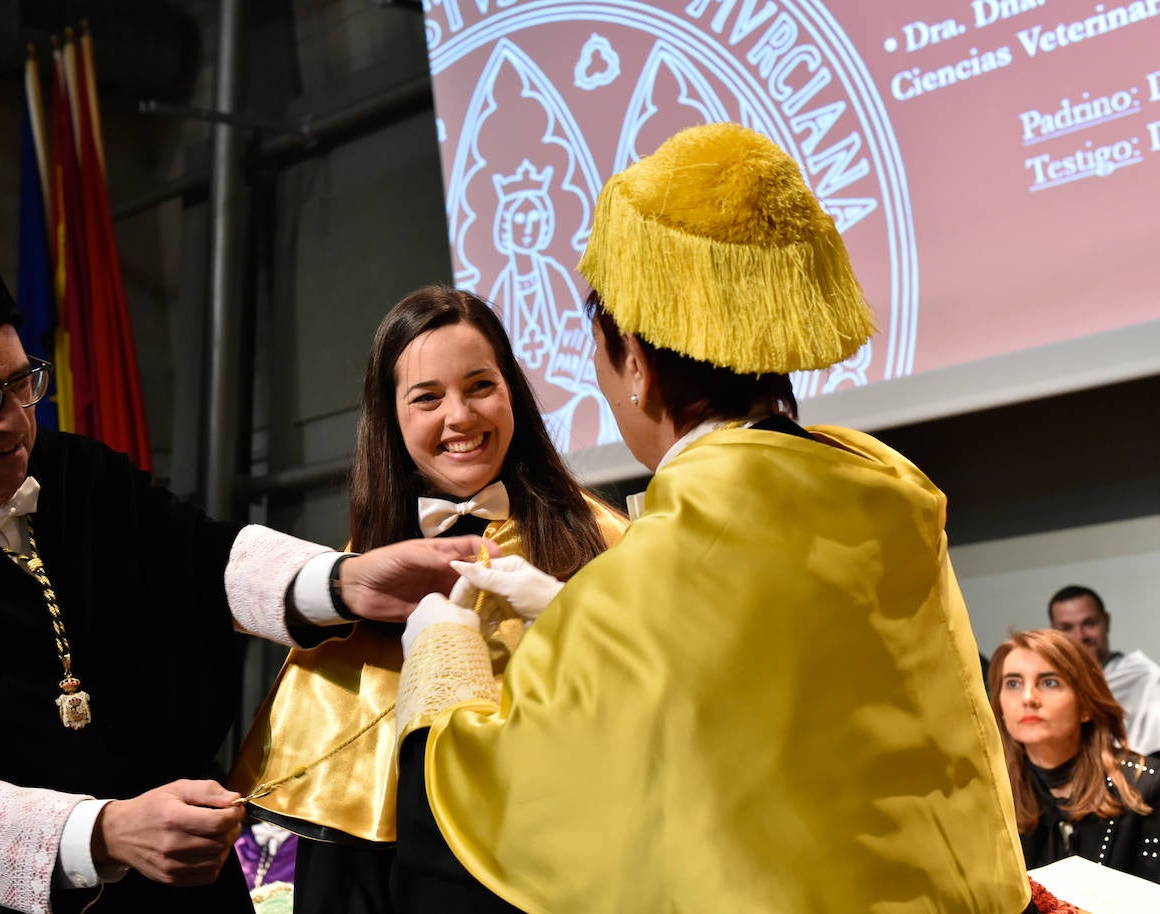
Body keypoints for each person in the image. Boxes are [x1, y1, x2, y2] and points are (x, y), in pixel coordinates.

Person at [389, 123, 1034, 912]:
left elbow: (499, 829)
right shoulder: (886, 494)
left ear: (634, 360)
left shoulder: (663, 561)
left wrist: (443, 664)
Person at [0, 241, 491, 914]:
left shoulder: (76, 474)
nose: (15, 424)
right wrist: (103, 833)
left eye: (22, 382)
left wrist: (343, 582)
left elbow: (205, 560)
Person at [229, 285, 627, 913]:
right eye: (427, 398)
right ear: (391, 417)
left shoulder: (607, 542)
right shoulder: (365, 578)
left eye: (480, 386)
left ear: (512, 392)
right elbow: (343, 850)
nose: (461, 416)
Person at [987, 629, 1160, 882]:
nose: (1028, 698)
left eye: (1049, 682)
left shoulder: (1148, 787)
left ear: (1086, 706)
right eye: (1013, 683)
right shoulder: (990, 793)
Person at [1048, 584, 1160, 754]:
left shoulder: (1144, 679)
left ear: (1106, 621)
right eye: (1067, 628)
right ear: (1054, 632)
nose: (1080, 636)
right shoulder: (1047, 688)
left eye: (1089, 623)